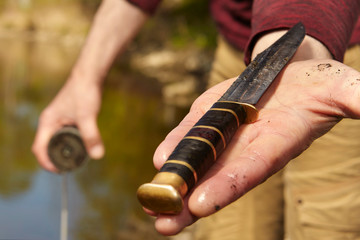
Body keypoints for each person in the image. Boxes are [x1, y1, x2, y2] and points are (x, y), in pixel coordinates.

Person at [32, 0, 360, 239]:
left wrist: (296, 43)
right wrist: (84, 77)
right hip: (237, 54)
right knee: (230, 230)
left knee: (324, 226)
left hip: (327, 53)